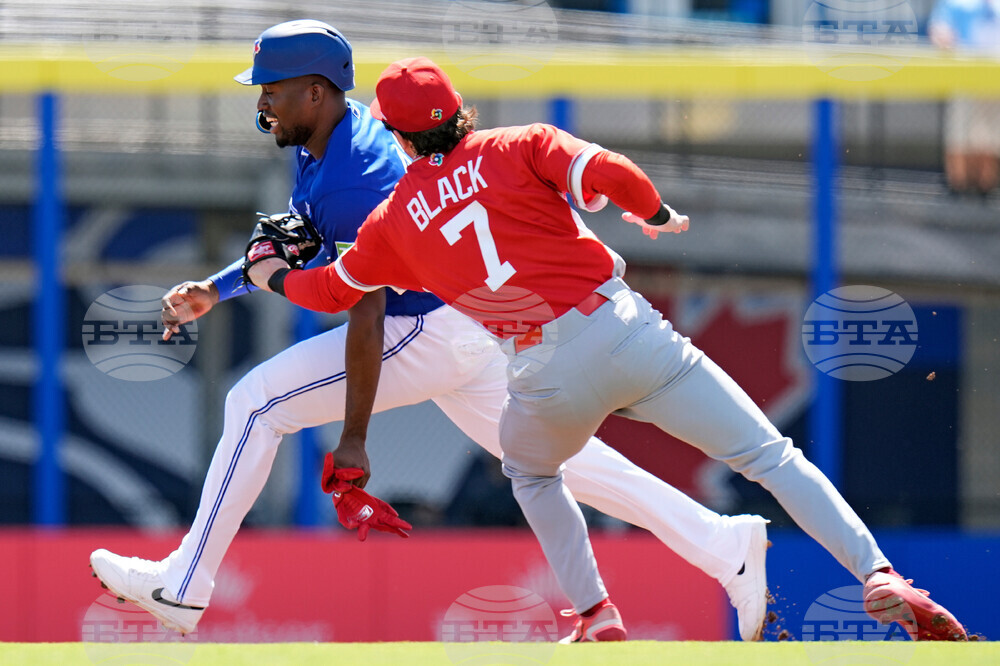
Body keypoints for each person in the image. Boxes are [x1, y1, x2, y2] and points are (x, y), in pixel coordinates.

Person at [244, 55, 969, 643]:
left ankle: (595, 614)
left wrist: (269, 273)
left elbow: (329, 293)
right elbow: (618, 175)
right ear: (459, 109)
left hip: (541, 368)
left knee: (531, 475)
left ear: (398, 137)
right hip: (625, 329)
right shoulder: (517, 143)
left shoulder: (394, 219)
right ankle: (875, 572)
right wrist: (656, 212)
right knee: (771, 458)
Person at [89, 19, 772, 643]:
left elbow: (364, 311)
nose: (263, 102)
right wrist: (218, 287)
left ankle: (185, 584)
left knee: (255, 403)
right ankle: (722, 543)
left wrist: (353, 438)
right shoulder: (328, 136)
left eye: (273, 89)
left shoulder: (354, 178)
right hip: (464, 325)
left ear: (317, 93)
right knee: (566, 464)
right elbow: (299, 242)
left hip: (420, 326)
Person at [929, 0, 1000, 197]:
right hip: (963, 76)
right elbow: (940, 32)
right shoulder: (955, 3)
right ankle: (959, 188)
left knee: (989, 136)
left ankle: (984, 190)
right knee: (959, 134)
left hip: (993, 79)